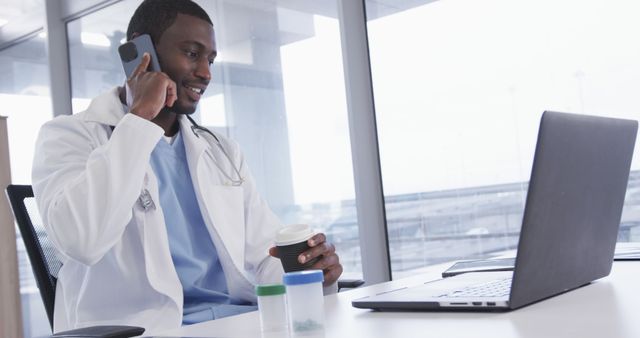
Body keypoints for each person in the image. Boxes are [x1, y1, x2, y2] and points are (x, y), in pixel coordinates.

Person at [31, 0, 342, 334]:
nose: (206, 73)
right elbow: (83, 239)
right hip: (148, 330)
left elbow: (264, 255)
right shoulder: (70, 135)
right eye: (192, 54)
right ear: (141, 52)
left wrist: (308, 271)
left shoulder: (221, 151)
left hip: (242, 322)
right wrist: (139, 119)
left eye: (210, 59)